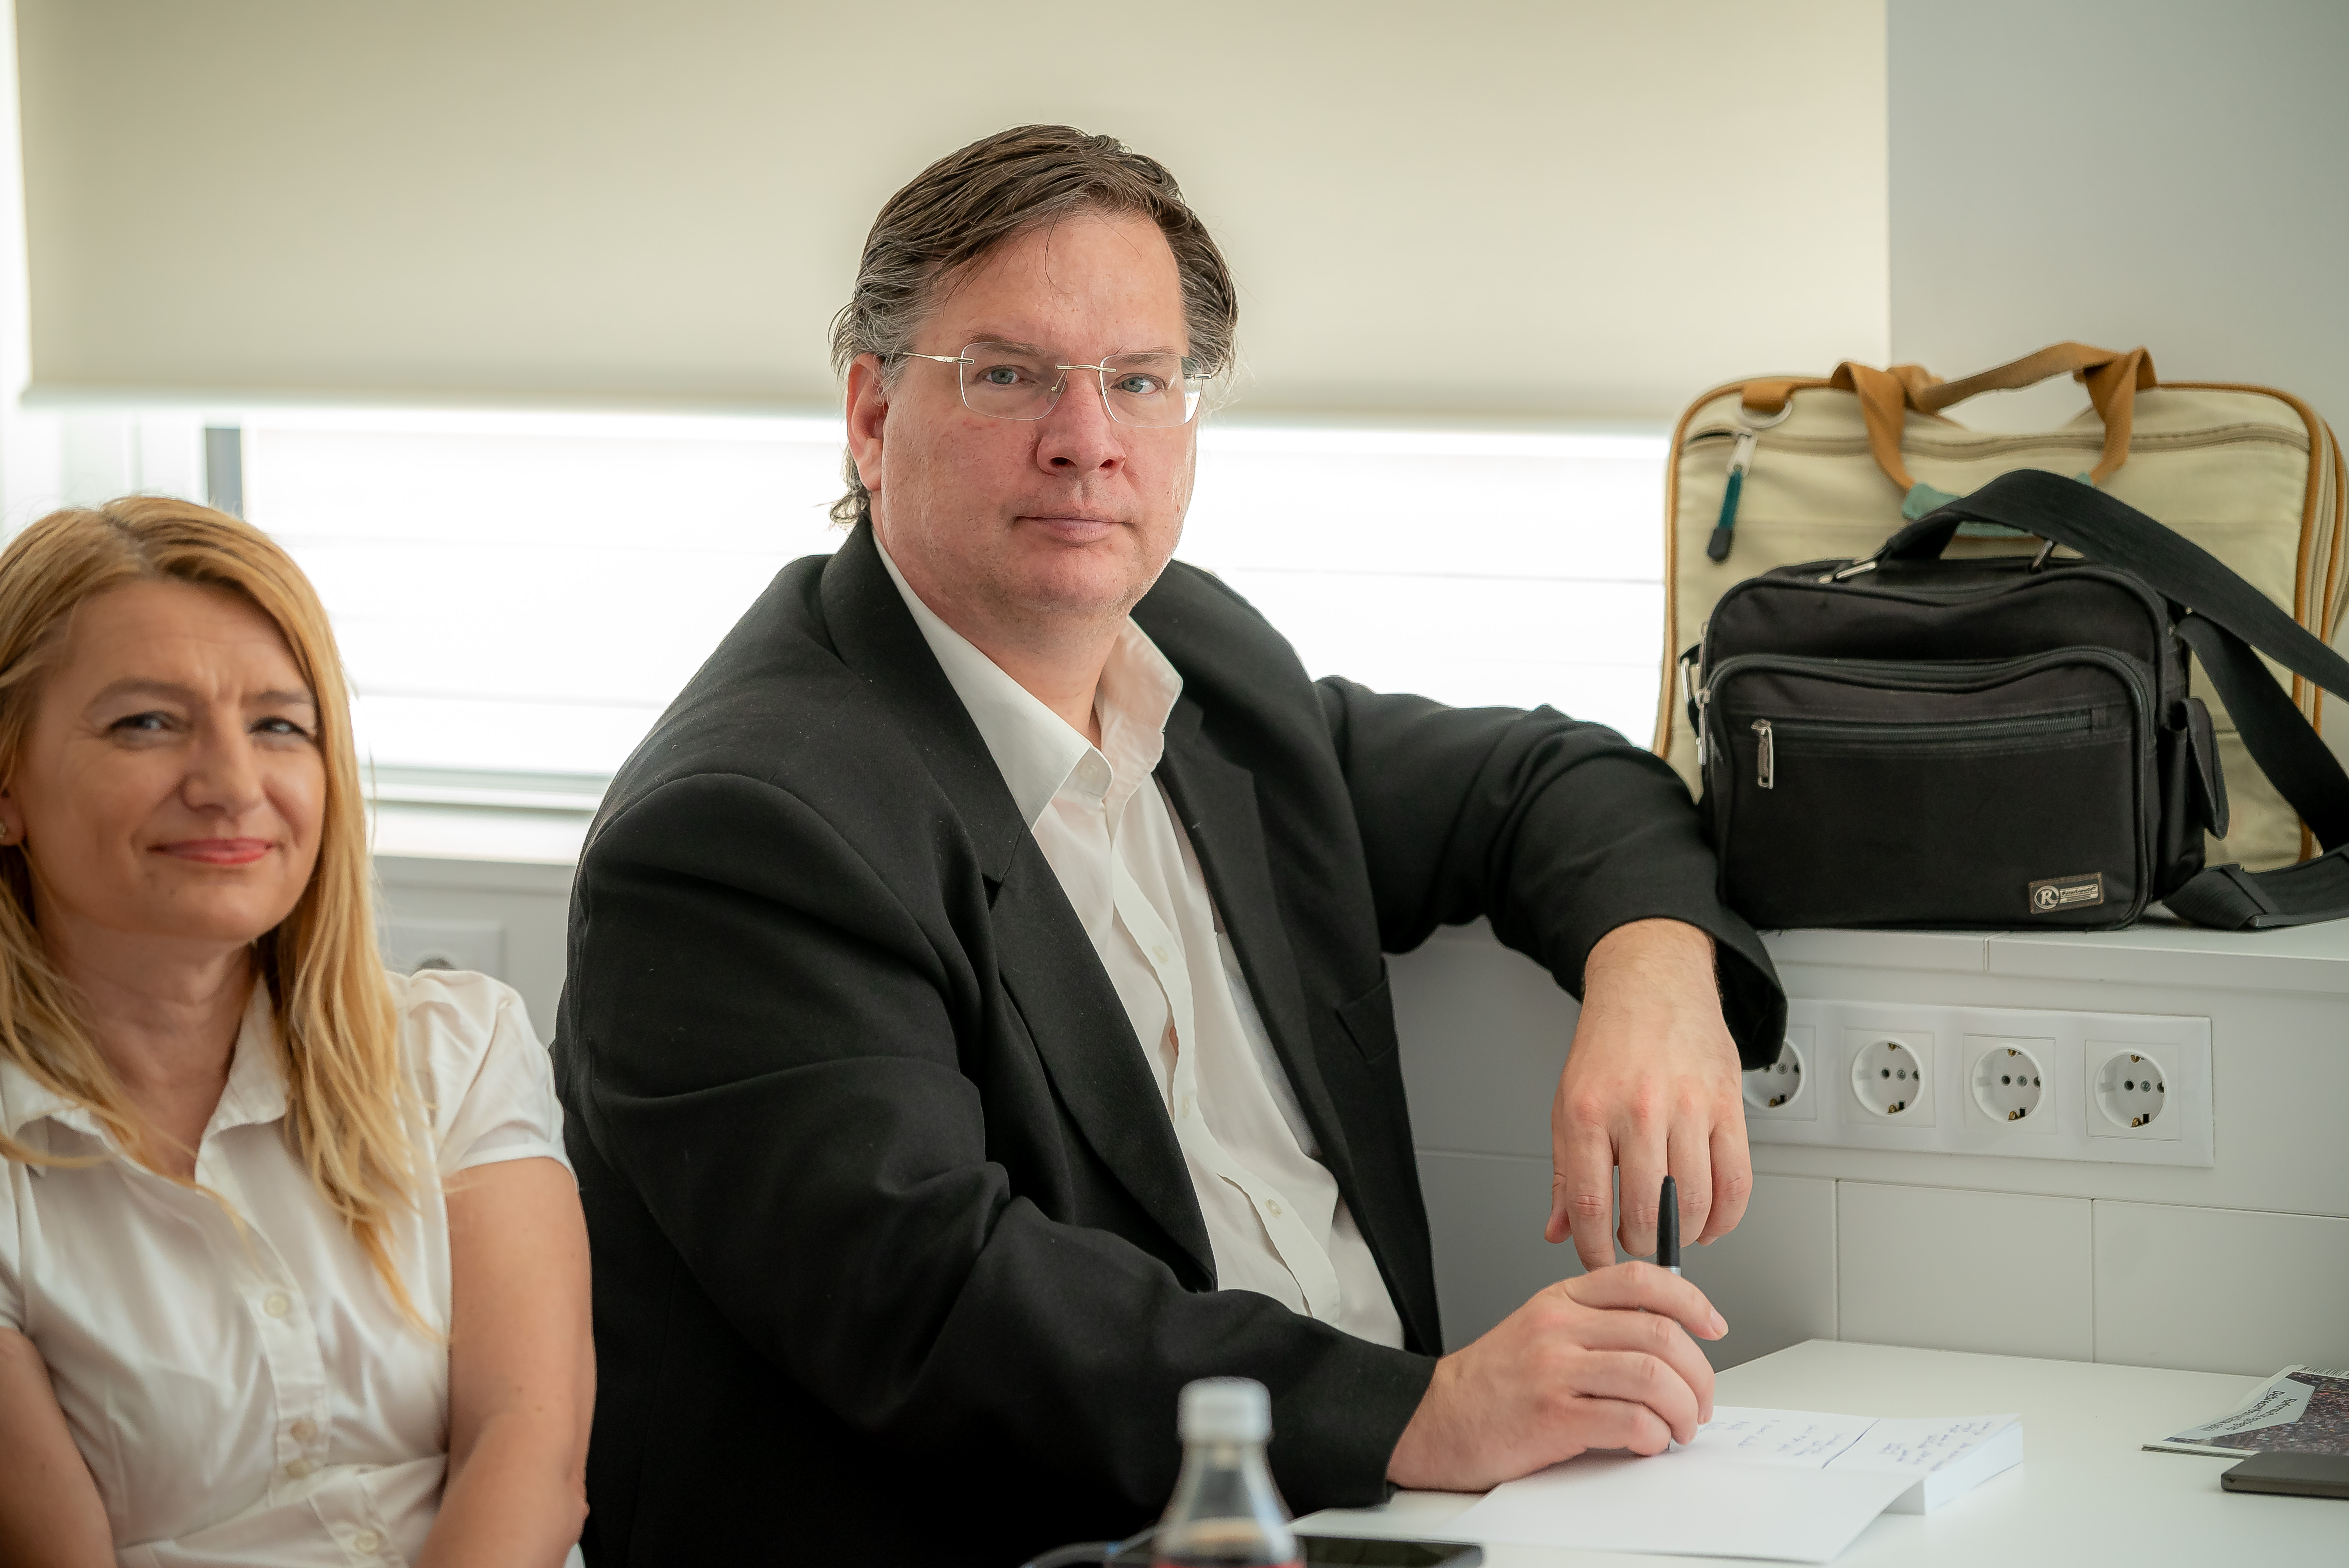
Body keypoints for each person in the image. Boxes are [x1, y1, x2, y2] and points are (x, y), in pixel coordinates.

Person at [555, 125, 1784, 1566]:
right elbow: (938, 1303)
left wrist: (1655, 977)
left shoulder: (1199, 658)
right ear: (873, 416)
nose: (1088, 438)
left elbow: (1539, 781)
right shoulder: (741, 829)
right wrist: (1429, 1413)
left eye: (1139, 380)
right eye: (1009, 375)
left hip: (1397, 1516)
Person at [0, 499, 593, 1566]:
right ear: (8, 783)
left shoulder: (456, 1050)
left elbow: (530, 1456)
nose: (232, 786)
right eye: (148, 723)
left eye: (279, 726)